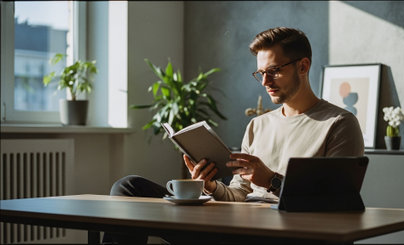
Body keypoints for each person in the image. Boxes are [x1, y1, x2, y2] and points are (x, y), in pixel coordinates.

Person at [103, 27, 364, 244]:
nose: (265, 82)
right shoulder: (258, 125)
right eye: (261, 73)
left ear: (303, 66)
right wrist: (211, 186)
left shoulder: (339, 123)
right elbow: (239, 194)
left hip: (278, 232)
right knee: (129, 187)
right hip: (232, 223)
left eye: (274, 71)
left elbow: (336, 202)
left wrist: (272, 181)